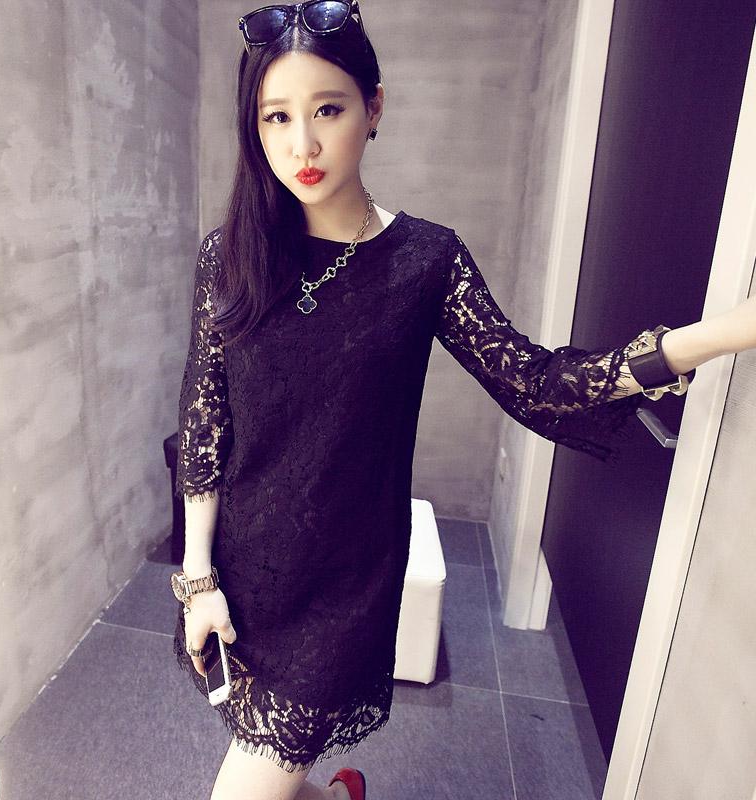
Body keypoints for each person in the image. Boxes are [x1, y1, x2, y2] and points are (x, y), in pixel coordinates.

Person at [168, 2, 756, 798]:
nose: (301, 144)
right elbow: (205, 421)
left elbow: (536, 384)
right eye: (277, 117)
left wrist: (717, 334)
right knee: (270, 769)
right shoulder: (231, 254)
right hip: (240, 572)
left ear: (375, 107)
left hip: (342, 584)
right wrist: (199, 578)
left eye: (327, 110)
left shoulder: (426, 261)